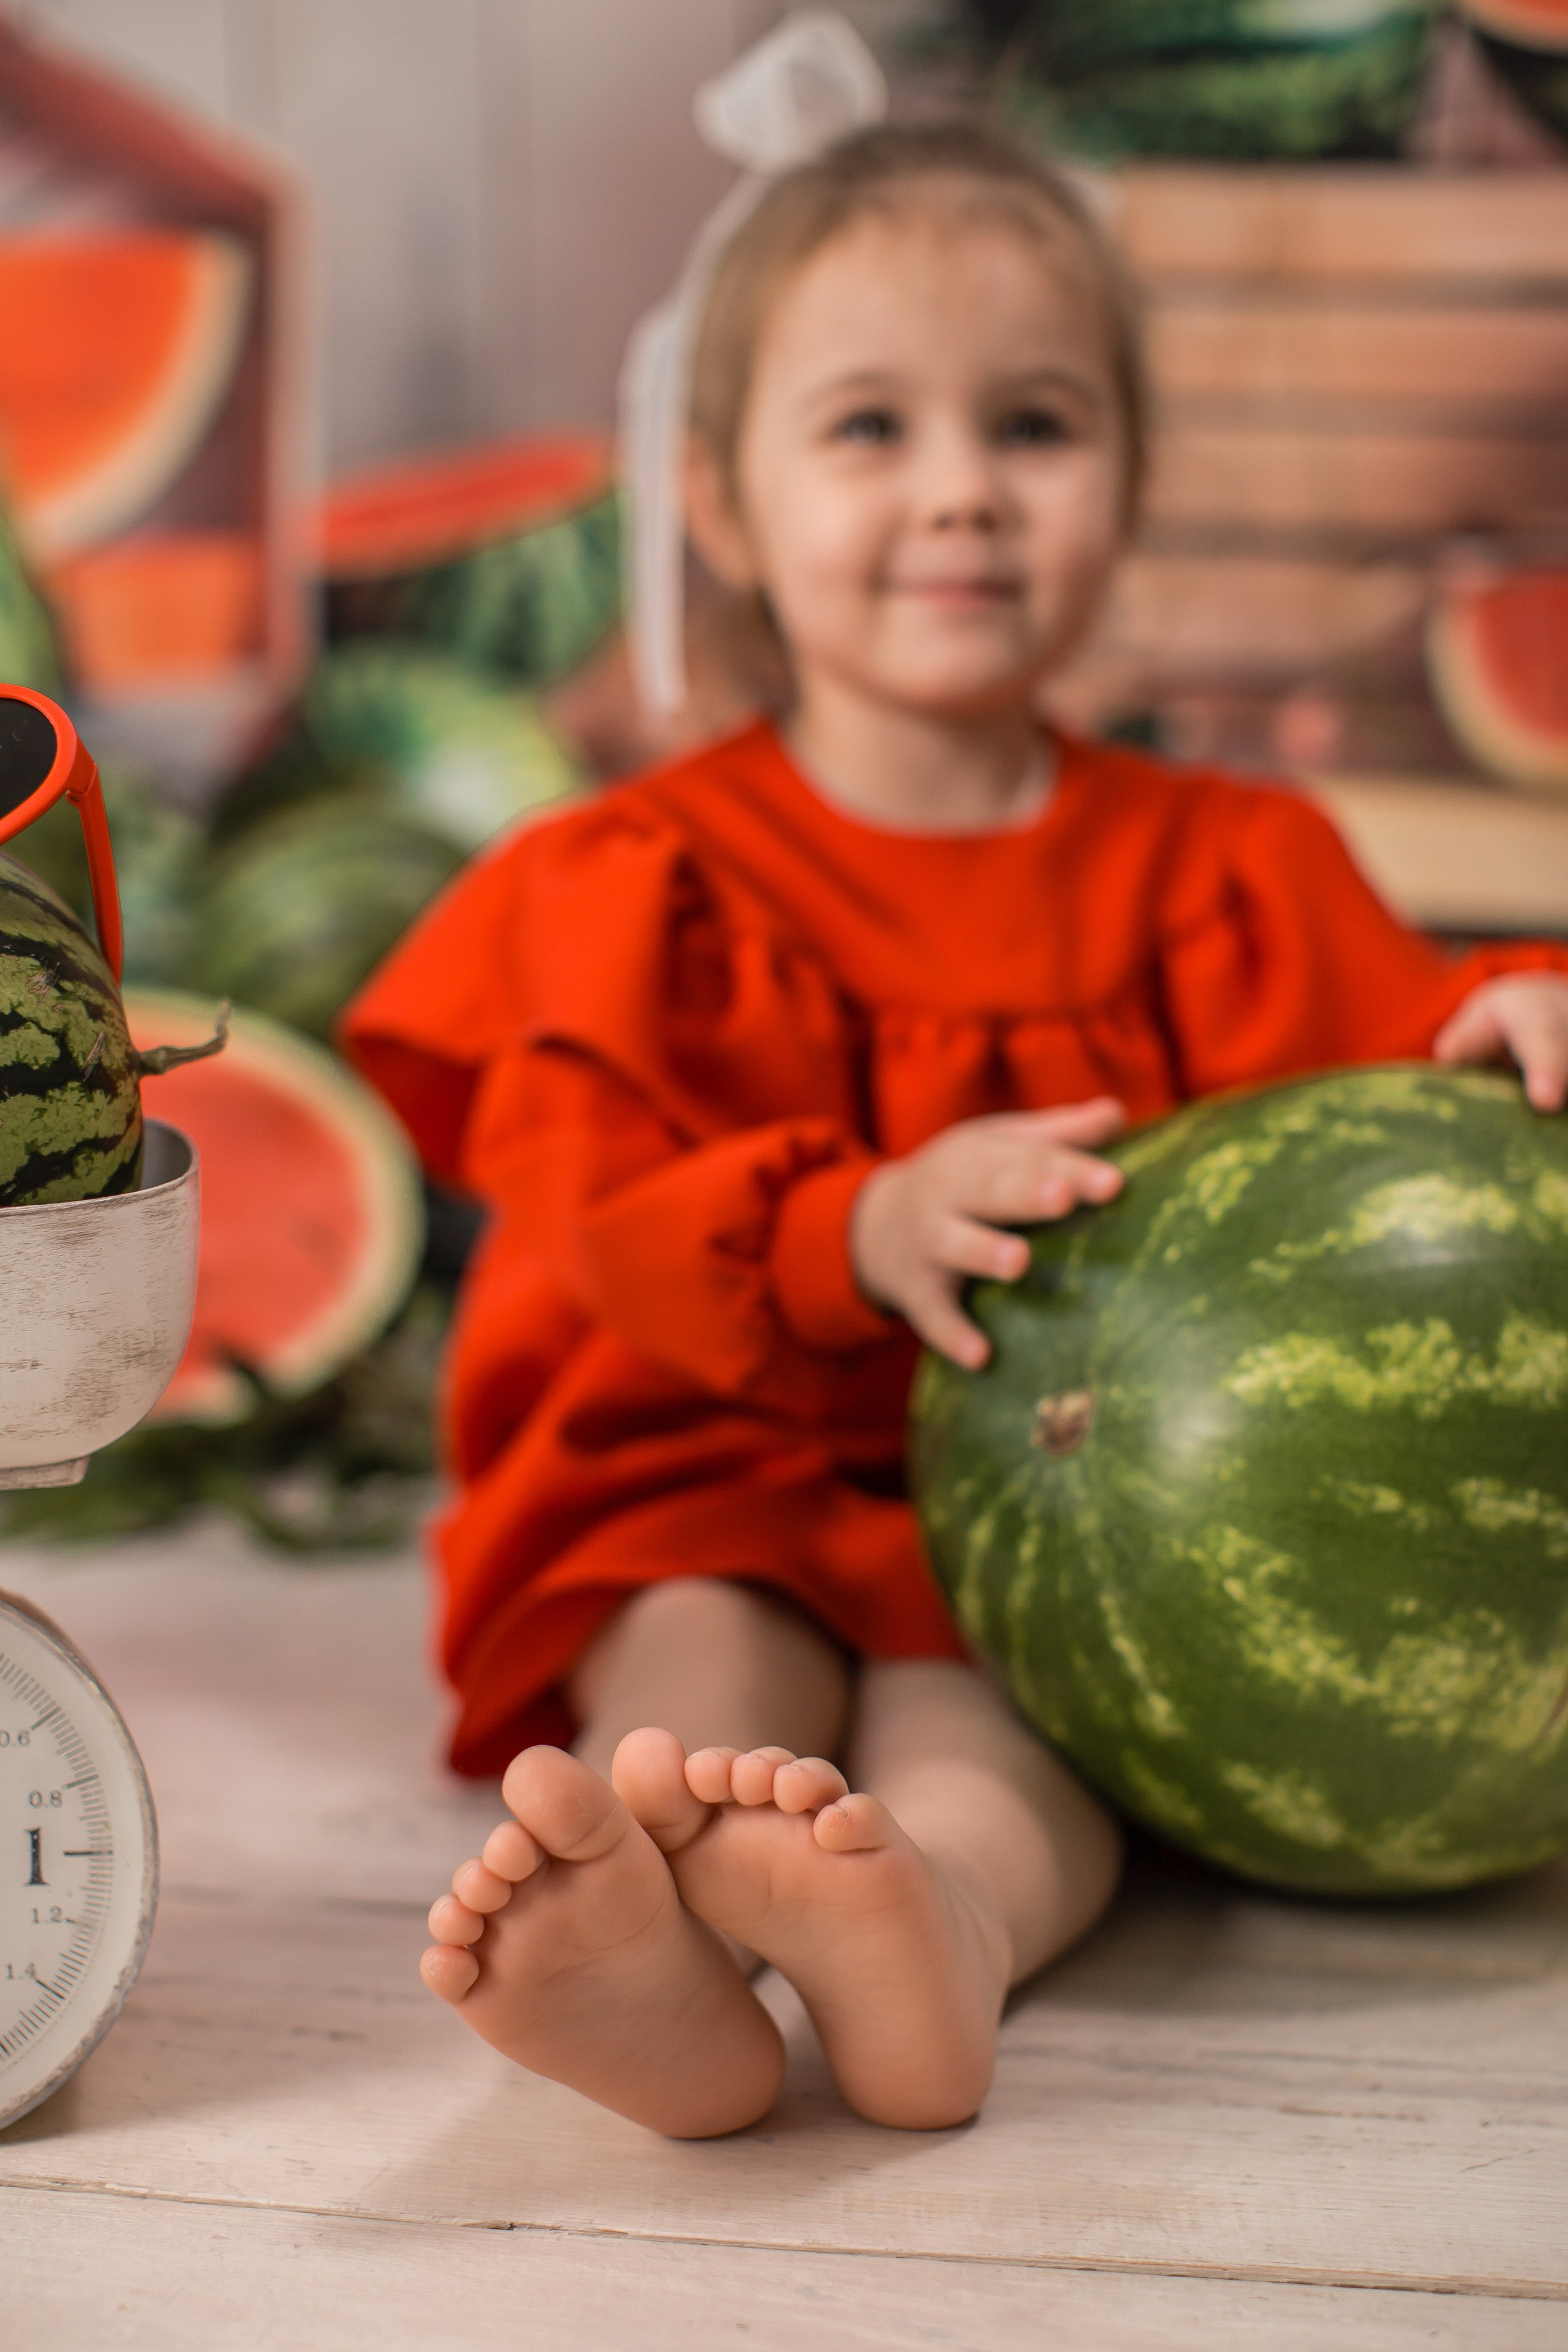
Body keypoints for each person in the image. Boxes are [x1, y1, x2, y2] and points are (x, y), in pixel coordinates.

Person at [342, 120, 1568, 2142]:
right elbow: (595, 1205)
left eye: (1032, 424)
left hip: (1053, 1495)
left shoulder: (1228, 865)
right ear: (721, 504)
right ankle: (656, 1938)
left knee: (998, 1728)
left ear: (1129, 484)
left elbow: (1382, 1096)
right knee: (696, 1649)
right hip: (721, 1452)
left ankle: (948, 1931)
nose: (960, 493)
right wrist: (852, 1227)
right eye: (869, 429)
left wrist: (1504, 1007)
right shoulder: (637, 879)